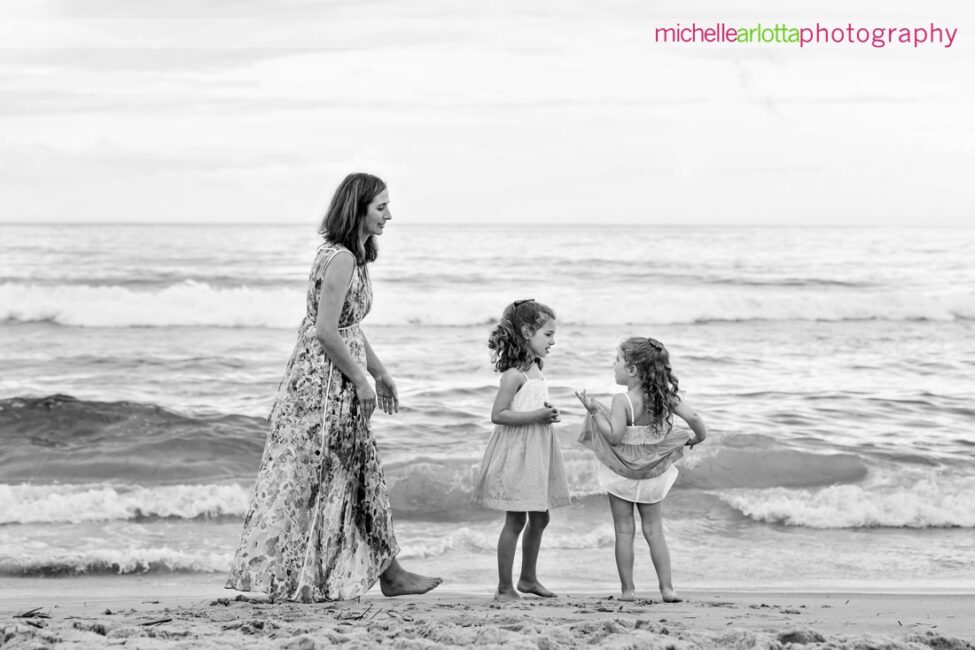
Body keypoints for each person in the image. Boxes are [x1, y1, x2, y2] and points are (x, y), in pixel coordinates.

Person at [226, 173, 441, 602]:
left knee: (352, 476)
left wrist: (378, 372)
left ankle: (378, 572)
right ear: (357, 208)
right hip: (323, 389)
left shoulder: (353, 256)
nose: (389, 214)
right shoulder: (340, 258)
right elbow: (326, 331)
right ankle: (384, 574)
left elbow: (349, 326)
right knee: (339, 476)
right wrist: (361, 379)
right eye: (381, 207)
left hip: (330, 380)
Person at [575, 337, 707, 603]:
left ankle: (628, 591)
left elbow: (614, 437)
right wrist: (699, 437)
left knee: (624, 530)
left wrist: (594, 412)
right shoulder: (665, 397)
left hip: (622, 471)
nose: (614, 365)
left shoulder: (622, 400)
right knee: (654, 529)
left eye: (618, 360)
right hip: (653, 471)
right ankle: (668, 589)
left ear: (632, 369)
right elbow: (693, 418)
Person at [472, 299, 571, 601]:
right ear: (527, 332)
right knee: (515, 521)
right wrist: (536, 416)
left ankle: (528, 578)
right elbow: (499, 414)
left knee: (541, 518)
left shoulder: (537, 368)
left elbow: (530, 404)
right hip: (517, 453)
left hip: (538, 451)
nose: (553, 341)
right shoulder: (515, 375)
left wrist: (547, 411)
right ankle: (505, 587)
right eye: (548, 334)